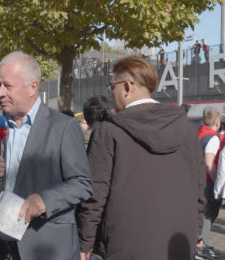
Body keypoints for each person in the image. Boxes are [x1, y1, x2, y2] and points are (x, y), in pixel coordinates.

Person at [77, 57, 206, 260]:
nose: (111, 92)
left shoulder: (108, 131)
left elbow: (95, 195)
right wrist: (195, 232)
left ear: (127, 87)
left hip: (124, 246)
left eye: (112, 86)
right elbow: (199, 189)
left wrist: (85, 243)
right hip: (178, 246)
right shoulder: (187, 130)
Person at [0, 51, 92, 260]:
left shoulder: (63, 127)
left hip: (45, 247)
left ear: (33, 87)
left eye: (7, 86)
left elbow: (82, 183)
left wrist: (45, 200)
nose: (0, 93)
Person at [196, 107, 223, 260]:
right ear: (217, 123)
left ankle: (200, 243)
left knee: (201, 214)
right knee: (208, 215)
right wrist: (216, 184)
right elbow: (209, 163)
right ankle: (202, 246)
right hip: (208, 182)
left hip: (198, 181)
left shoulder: (199, 134)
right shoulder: (212, 138)